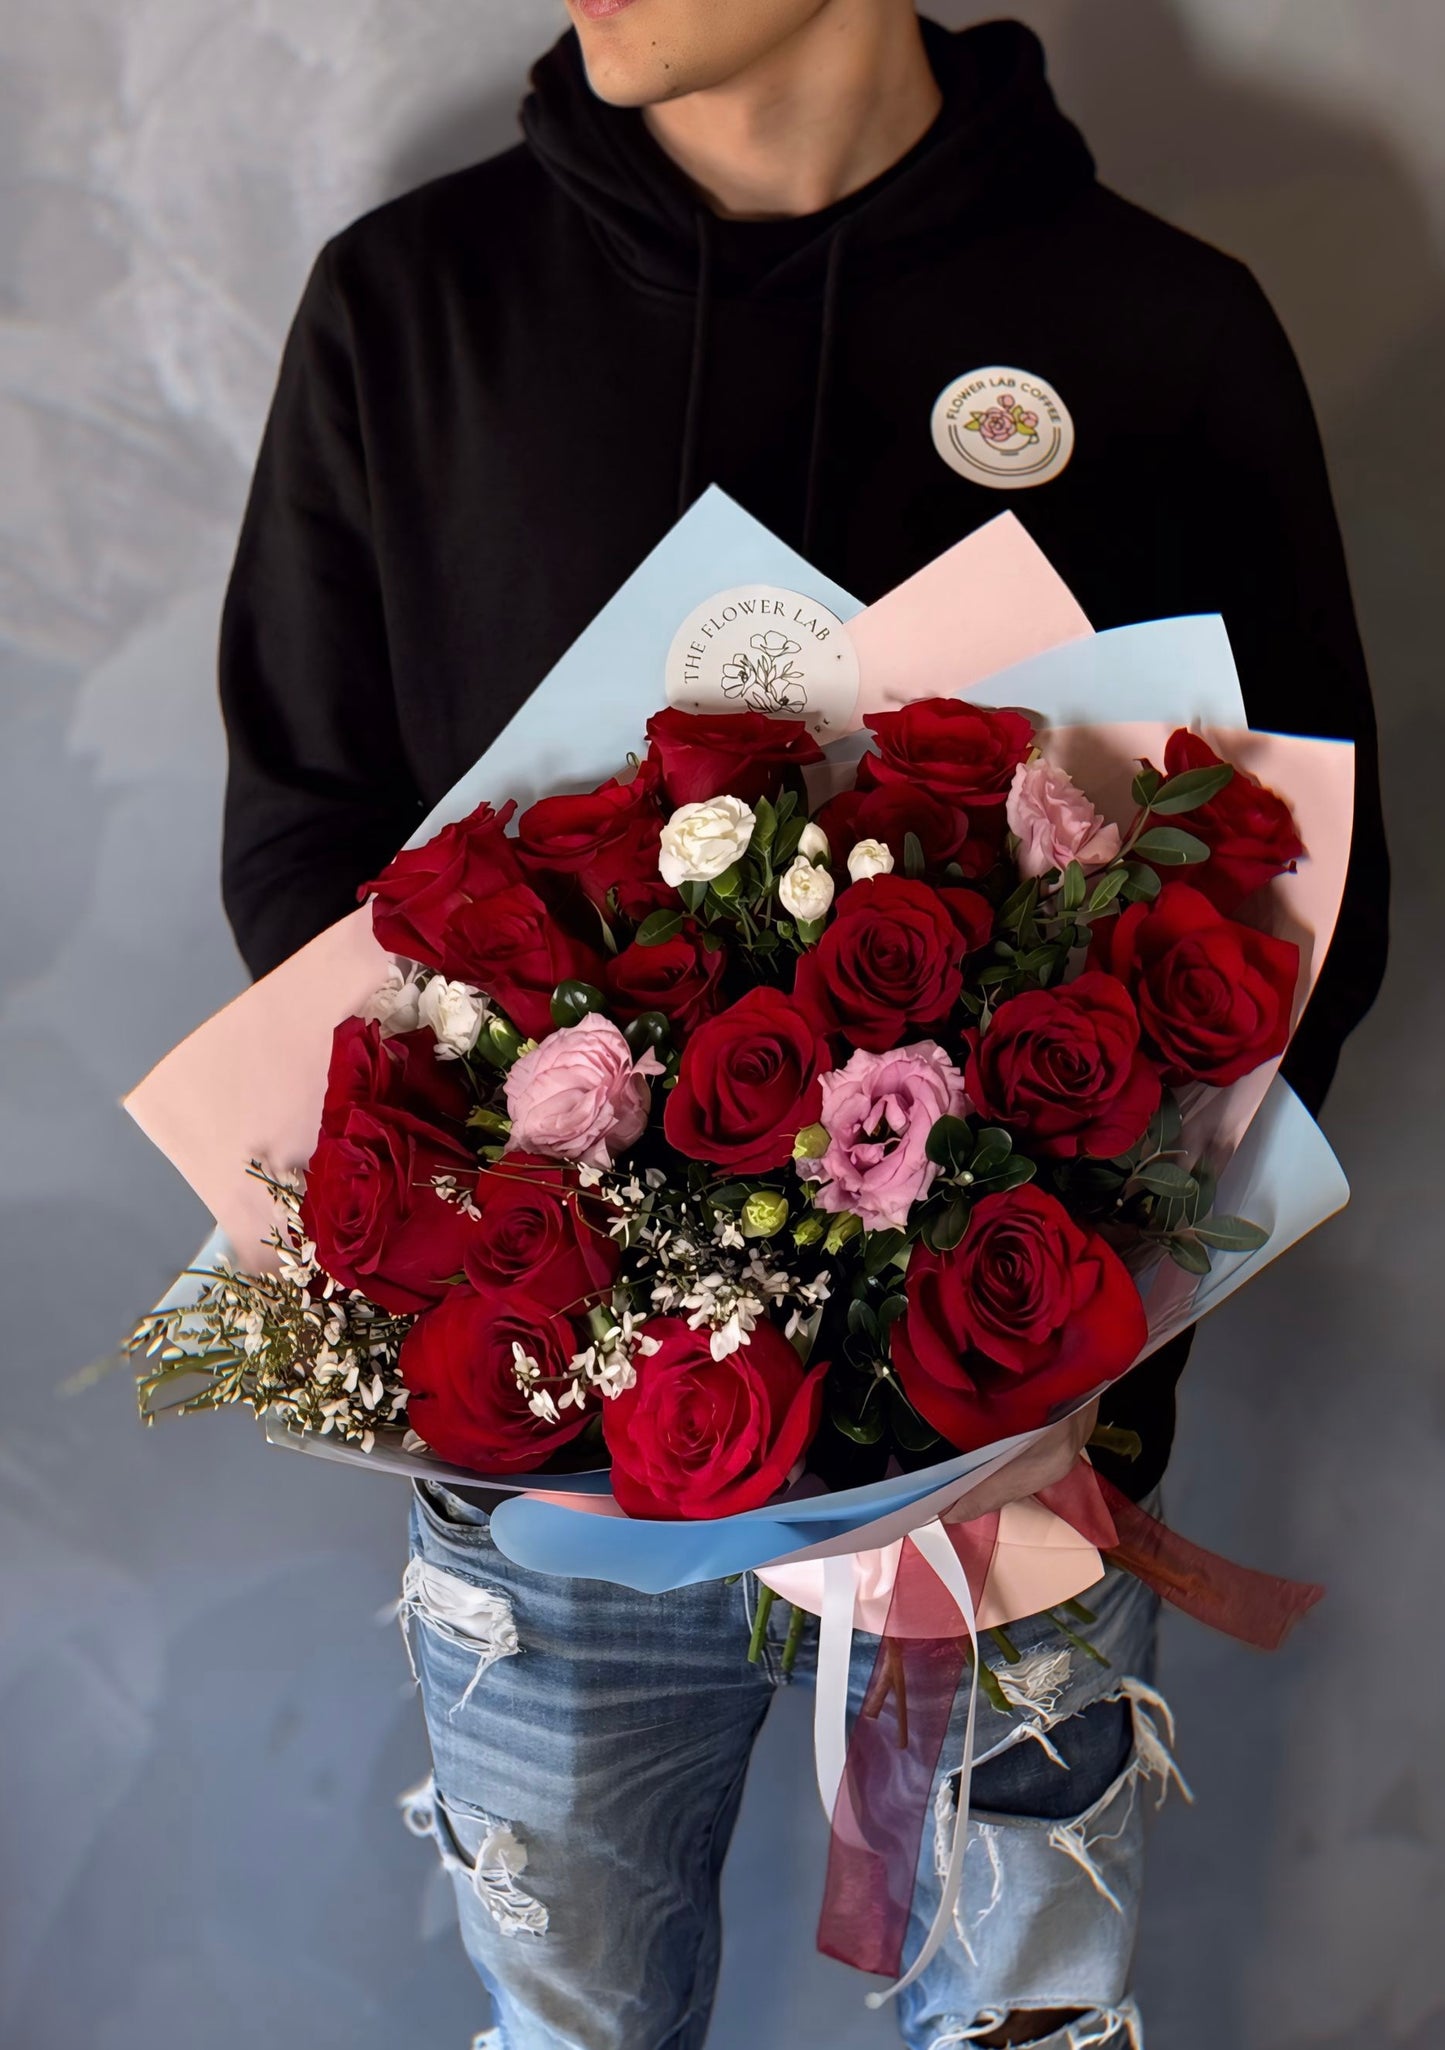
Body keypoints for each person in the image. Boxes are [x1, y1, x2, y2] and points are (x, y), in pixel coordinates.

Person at [217, 4, 1389, 2045]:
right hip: (551, 1473)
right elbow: (305, 834)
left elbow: (1307, 905)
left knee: (1025, 2038)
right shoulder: (413, 312)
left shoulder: (1159, 329)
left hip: (1013, 1465)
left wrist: (1061, 1305)